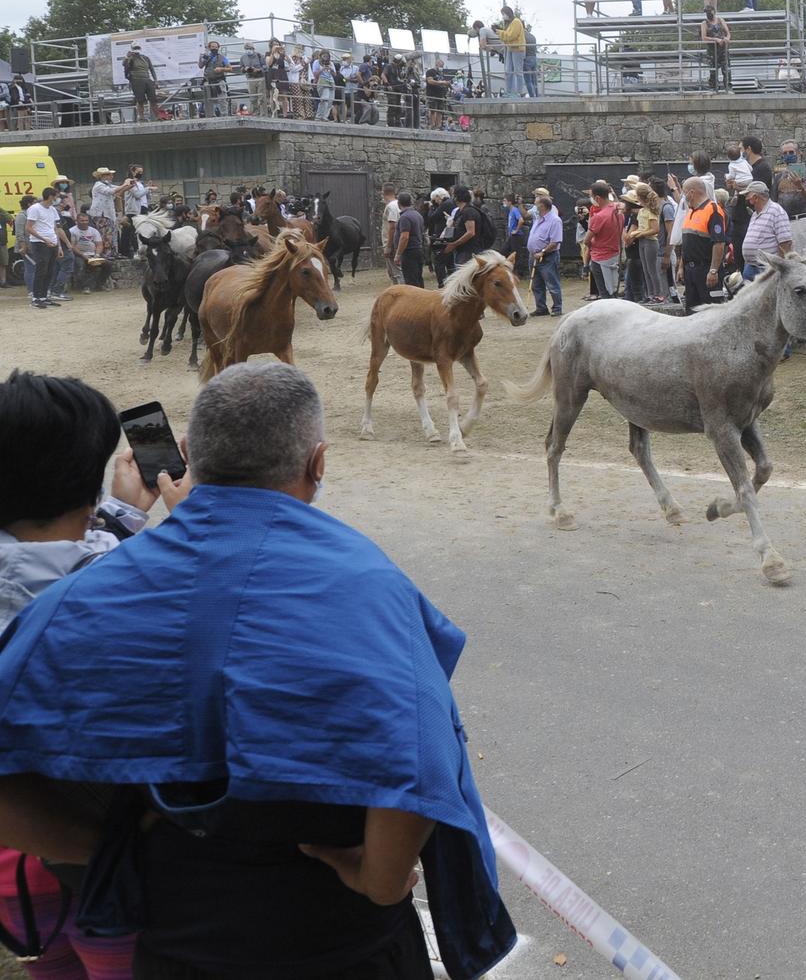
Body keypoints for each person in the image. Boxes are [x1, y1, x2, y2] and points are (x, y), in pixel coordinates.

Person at [0, 364, 516, 980]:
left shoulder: (82, 596)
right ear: (318, 464)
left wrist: (108, 846)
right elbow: (419, 752)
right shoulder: (370, 585)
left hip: (178, 936)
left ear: (188, 454)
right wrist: (378, 880)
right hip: (341, 937)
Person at [0, 371, 168, 979]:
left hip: (15, 882)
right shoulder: (129, 586)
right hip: (104, 858)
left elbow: (48, 558)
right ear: (86, 482)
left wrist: (118, 513)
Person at [677, 177, 728, 311]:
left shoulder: (713, 210)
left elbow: (719, 243)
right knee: (692, 310)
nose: (683, 196)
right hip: (690, 270)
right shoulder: (691, 212)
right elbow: (687, 243)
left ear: (691, 193)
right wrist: (682, 267)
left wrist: (713, 270)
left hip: (706, 269)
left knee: (710, 310)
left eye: (684, 192)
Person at [739, 180, 792, 280]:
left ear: (755, 197)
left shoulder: (776, 212)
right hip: (751, 266)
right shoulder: (755, 214)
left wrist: (777, 269)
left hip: (767, 269)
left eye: (747, 195)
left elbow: (785, 243)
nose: (746, 198)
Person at [21, 185, 62, 310]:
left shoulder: (52, 210)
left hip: (52, 243)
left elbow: (55, 228)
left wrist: (58, 245)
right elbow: (28, 227)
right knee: (41, 270)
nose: (56, 199)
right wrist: (44, 239)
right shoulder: (35, 209)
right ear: (50, 196)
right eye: (55, 196)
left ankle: (44, 296)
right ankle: (36, 298)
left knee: (50, 270)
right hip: (39, 243)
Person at [584, 182, 623, 299]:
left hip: (600, 256)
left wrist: (591, 245)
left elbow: (587, 240)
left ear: (597, 198)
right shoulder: (618, 211)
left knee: (605, 293)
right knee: (613, 289)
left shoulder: (599, 216)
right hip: (615, 253)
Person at [702, 9, 733, 92]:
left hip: (723, 49)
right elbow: (704, 37)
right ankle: (714, 87)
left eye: (710, 13)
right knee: (713, 70)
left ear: (714, 12)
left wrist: (727, 38)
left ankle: (728, 87)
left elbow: (728, 33)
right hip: (712, 50)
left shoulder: (720, 20)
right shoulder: (704, 23)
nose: (709, 15)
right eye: (707, 13)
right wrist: (715, 39)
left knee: (726, 69)